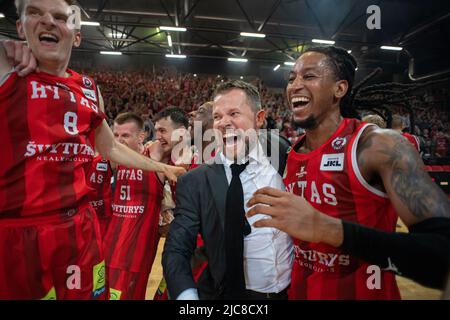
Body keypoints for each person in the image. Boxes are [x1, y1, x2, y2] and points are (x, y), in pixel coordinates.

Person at [0, 0, 184, 300]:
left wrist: (162, 168)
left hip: (79, 228)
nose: (48, 21)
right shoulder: (7, 65)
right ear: (20, 27)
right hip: (20, 231)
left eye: (60, 17)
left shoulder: (88, 87)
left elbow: (110, 146)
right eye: (35, 13)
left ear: (76, 35)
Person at [247, 46, 450, 298]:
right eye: (291, 78)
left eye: (309, 76)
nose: (295, 85)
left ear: (339, 89)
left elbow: (442, 254)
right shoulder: (291, 154)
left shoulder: (378, 146)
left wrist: (329, 229)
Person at [163, 80, 293, 300]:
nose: (223, 123)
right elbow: (176, 249)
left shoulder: (284, 155)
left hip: (290, 292)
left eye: (234, 113)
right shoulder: (195, 181)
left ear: (259, 118)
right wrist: (187, 298)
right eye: (217, 116)